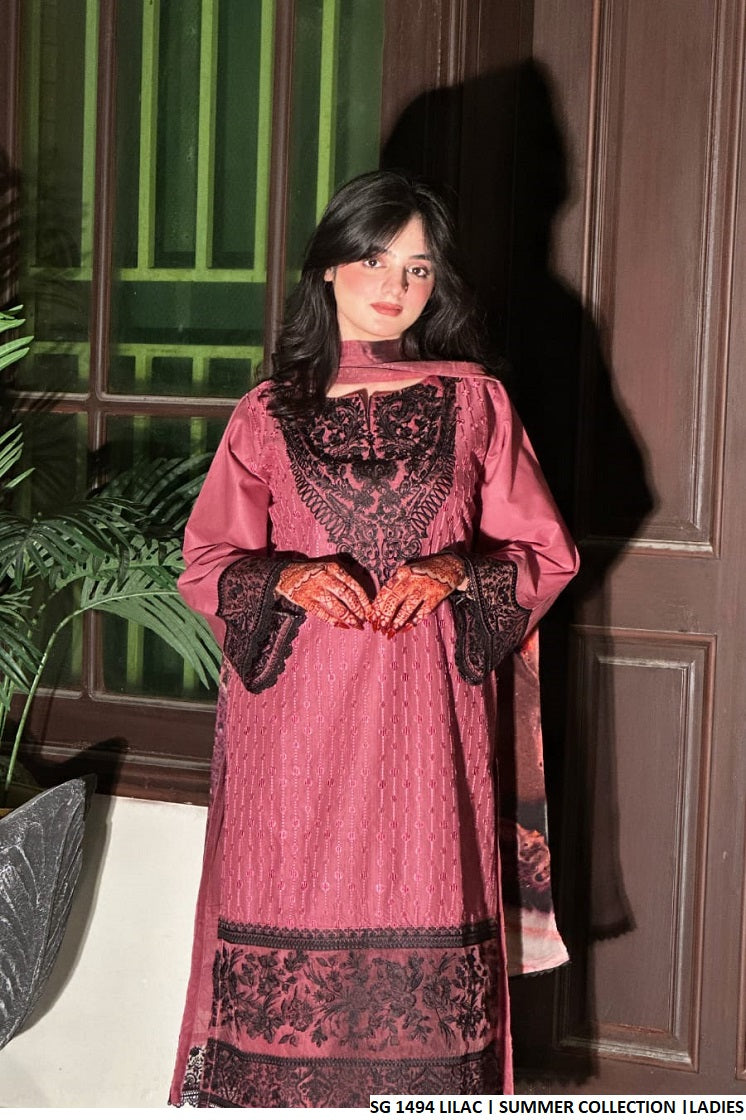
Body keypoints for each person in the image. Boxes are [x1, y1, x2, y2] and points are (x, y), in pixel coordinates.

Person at [169, 170, 579, 1106]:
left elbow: (545, 552)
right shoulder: (268, 413)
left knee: (429, 939)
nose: (396, 286)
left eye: (418, 269)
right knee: (284, 931)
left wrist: (455, 570)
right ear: (326, 267)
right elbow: (206, 562)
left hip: (427, 732)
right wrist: (285, 577)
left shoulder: (476, 404)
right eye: (374, 260)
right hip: (297, 735)